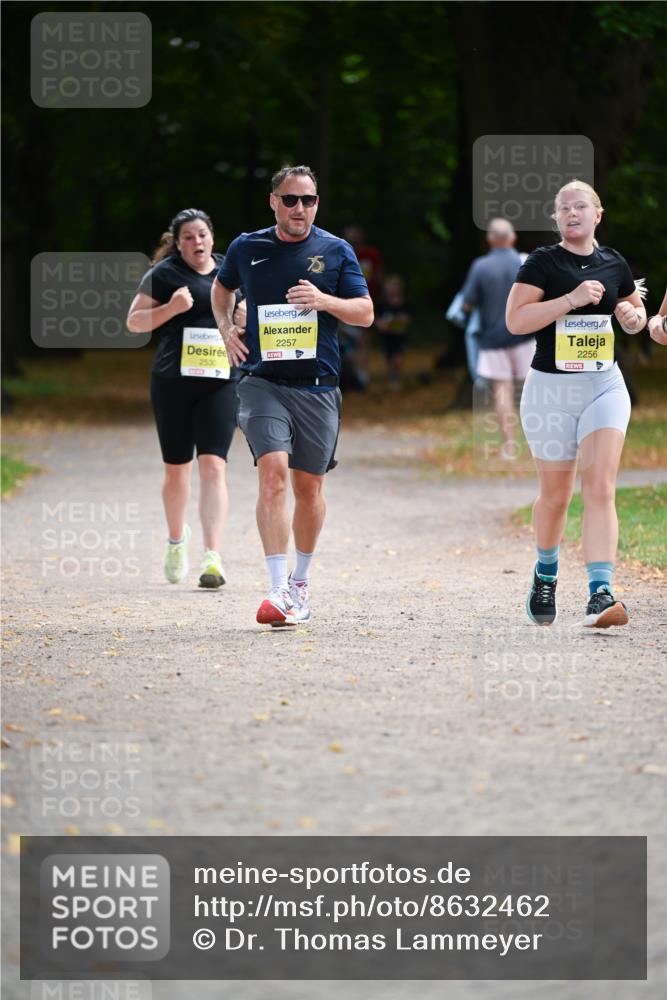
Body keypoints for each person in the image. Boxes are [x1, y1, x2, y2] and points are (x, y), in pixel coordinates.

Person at [211, 165, 373, 626]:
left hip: (318, 387)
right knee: (273, 475)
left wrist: (324, 301)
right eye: (290, 199)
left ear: (317, 204)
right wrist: (225, 330)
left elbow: (364, 313)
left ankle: (300, 583)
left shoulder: (335, 251)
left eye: (308, 200)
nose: (299, 208)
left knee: (309, 488)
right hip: (263, 382)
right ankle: (277, 587)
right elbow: (221, 291)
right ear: (273, 202)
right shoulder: (247, 246)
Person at [506, 180, 646, 628]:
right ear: (556, 218)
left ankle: (599, 593)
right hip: (551, 390)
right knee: (556, 495)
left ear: (597, 214)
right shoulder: (543, 262)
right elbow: (515, 320)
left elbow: (632, 313)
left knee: (600, 486)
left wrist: (632, 316)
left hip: (604, 385)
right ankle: (545, 572)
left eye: (580, 206)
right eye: (563, 208)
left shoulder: (613, 261)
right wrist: (569, 299)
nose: (571, 213)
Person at [127, 208, 239, 589]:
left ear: (212, 237)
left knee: (214, 466)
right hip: (173, 382)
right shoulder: (164, 275)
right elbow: (134, 322)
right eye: (188, 237)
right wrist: (172, 307)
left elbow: (247, 318)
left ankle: (212, 556)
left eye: (202, 235)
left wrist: (241, 319)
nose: (197, 242)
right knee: (177, 472)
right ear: (177, 243)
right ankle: (177, 541)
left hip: (221, 381)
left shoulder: (229, 272)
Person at [462, 219, 535, 458]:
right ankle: (541, 442)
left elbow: (467, 303)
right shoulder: (525, 263)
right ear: (512, 238)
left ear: (490, 239)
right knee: (535, 388)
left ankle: (510, 446)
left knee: (502, 391)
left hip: (492, 339)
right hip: (525, 335)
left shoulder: (480, 267)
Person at [375, 274, 412, 389]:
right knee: (389, 358)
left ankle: (396, 376)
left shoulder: (404, 303)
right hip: (386, 337)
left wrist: (402, 321)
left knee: (397, 358)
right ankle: (392, 376)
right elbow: (376, 318)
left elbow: (408, 318)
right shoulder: (382, 304)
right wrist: (380, 324)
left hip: (399, 336)